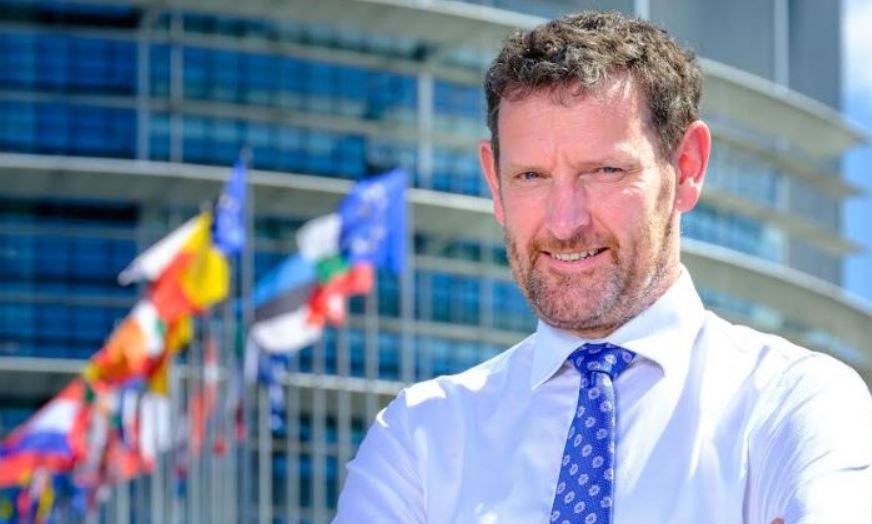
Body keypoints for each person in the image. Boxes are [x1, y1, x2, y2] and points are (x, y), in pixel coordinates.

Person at [333, 11, 872, 524]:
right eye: (530, 177)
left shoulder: (796, 406)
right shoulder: (418, 439)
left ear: (686, 167)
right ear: (494, 182)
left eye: (605, 171)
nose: (564, 223)